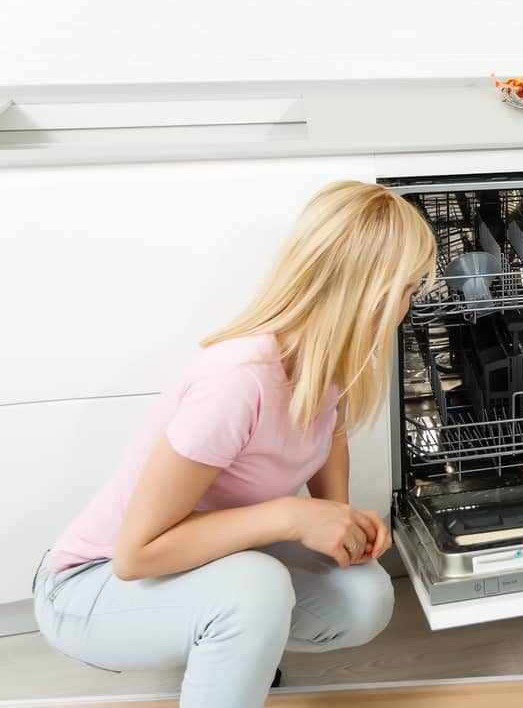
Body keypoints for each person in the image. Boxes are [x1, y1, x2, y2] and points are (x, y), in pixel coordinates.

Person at [32, 181, 437, 707]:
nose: (410, 306)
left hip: (200, 560)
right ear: (373, 293)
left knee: (364, 597)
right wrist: (293, 517)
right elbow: (135, 555)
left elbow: (328, 434)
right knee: (255, 590)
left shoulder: (327, 362)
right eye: (410, 289)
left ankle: (226, 641)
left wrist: (338, 516)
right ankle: (229, 632)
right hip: (90, 587)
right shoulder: (237, 382)